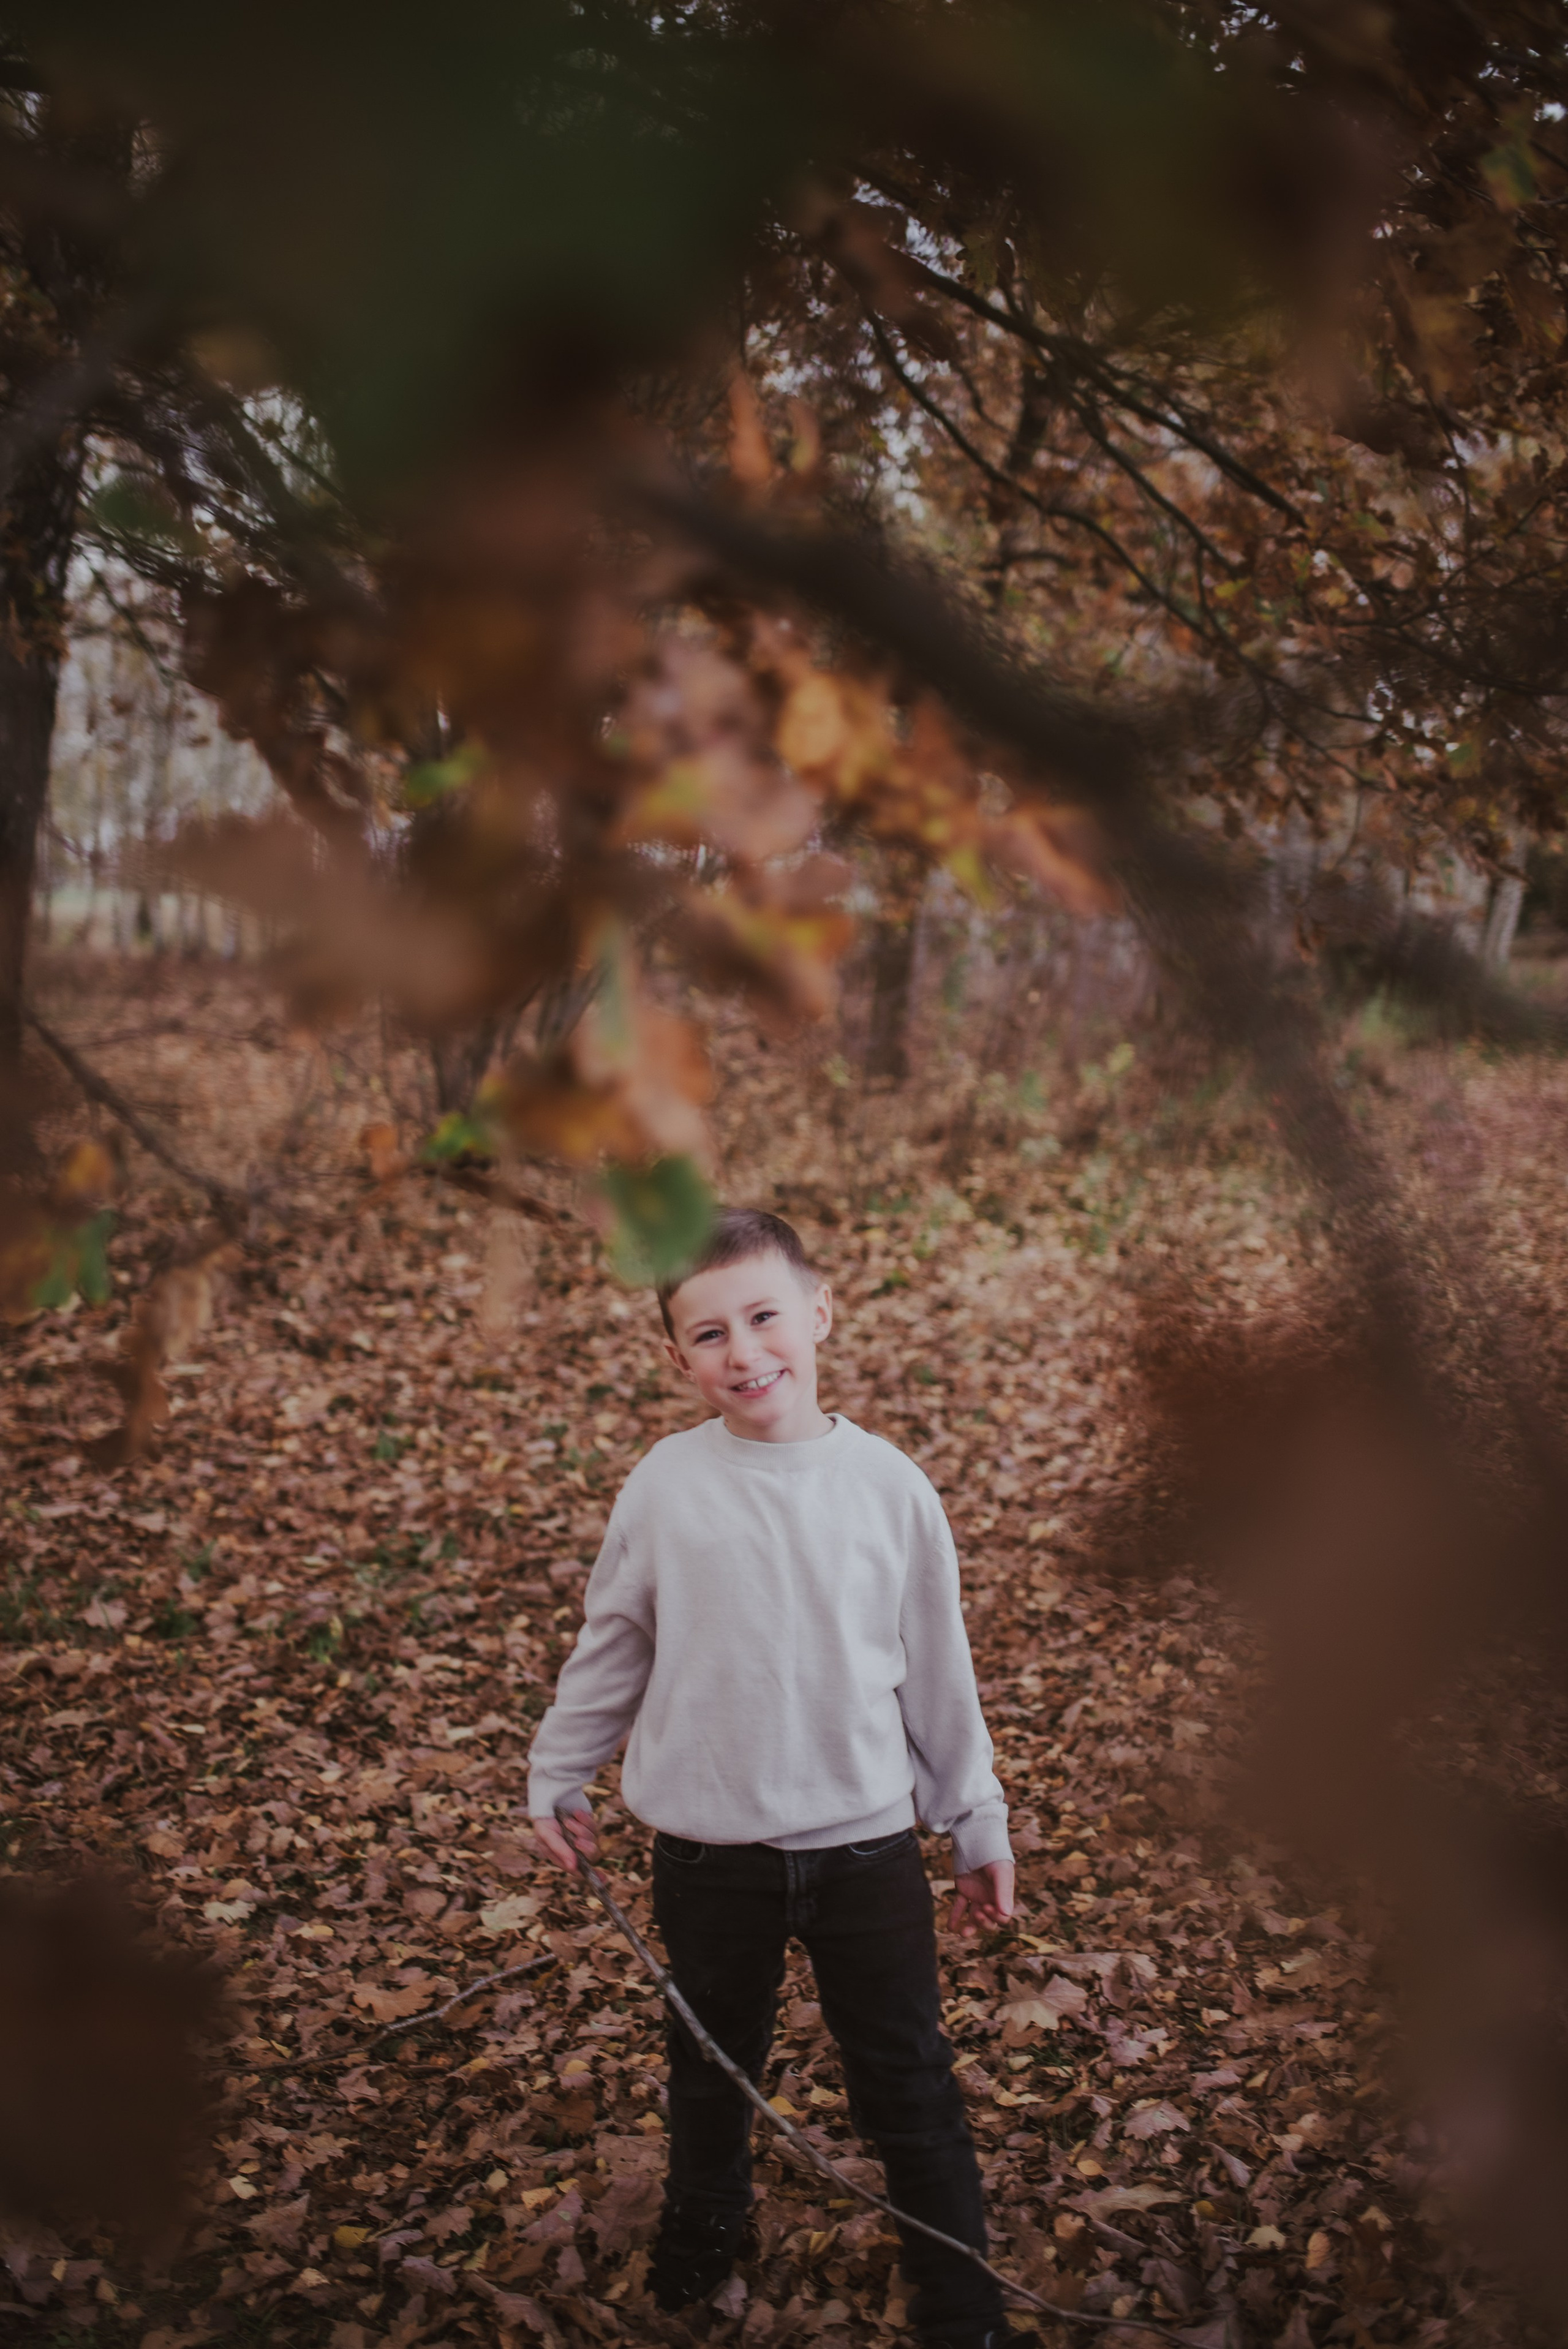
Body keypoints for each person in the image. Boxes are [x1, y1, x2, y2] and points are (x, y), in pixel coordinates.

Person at [527, 1207, 1033, 2349]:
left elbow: (938, 1671)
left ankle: (962, 2302)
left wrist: (976, 1821)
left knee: (908, 2076)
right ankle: (704, 2234)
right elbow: (615, 1644)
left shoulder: (889, 1487)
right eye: (710, 1334)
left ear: (820, 1313)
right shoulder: (666, 1486)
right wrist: (558, 1769)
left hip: (865, 1849)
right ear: (676, 1357)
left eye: (764, 1318)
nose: (745, 1352)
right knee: (712, 2066)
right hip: (709, 1856)